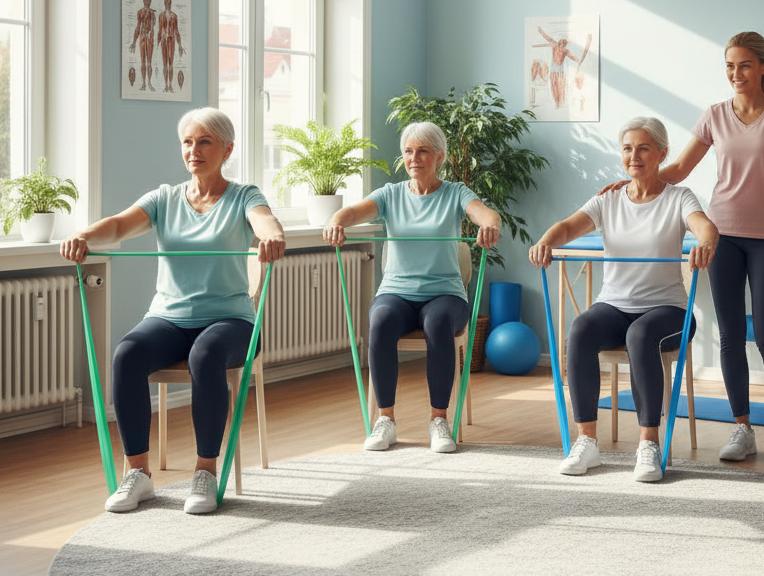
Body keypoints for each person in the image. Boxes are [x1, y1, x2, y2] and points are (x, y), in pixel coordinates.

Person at [602, 32, 764, 462]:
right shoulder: (715, 116)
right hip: (722, 235)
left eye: (744, 65)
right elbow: (681, 167)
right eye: (729, 66)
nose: (735, 74)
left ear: (763, 67)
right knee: (729, 336)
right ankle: (742, 427)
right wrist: (635, 180)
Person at [60, 108, 286, 514]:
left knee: (206, 354)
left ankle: (205, 472)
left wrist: (272, 237)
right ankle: (139, 475)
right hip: (168, 318)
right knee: (127, 354)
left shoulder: (244, 196)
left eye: (204, 142)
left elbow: (264, 221)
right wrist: (82, 235)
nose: (193, 150)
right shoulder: (164, 198)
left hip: (230, 320)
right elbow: (116, 226)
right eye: (187, 142)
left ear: (227, 149)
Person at [530, 117, 719, 482]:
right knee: (581, 329)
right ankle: (587, 442)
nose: (634, 156)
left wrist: (706, 243)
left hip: (669, 311)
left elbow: (703, 226)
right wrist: (546, 241)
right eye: (628, 149)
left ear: (662, 153)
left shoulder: (679, 197)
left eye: (644, 148)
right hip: (615, 306)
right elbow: (569, 226)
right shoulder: (609, 199)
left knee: (640, 335)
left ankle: (648, 444)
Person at [323, 121, 500, 454]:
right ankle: (385, 420)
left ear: (439, 157)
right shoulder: (390, 194)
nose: (414, 158)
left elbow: (485, 214)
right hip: (397, 292)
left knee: (437, 323)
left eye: (423, 151)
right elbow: (353, 212)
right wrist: (336, 221)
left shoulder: (455, 192)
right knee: (382, 320)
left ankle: (439, 421)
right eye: (408, 151)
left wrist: (490, 225)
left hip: (445, 293)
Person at [129, 0, 156, 92]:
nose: (147, 2)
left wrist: (149, 32)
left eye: (149, 1)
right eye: (146, 0)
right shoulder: (140, 12)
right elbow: (138, 27)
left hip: (150, 37)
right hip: (142, 37)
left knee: (149, 62)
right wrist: (134, 42)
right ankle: (144, 83)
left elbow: (153, 25)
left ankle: (149, 83)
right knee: (143, 62)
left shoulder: (152, 12)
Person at [158, 0, 185, 93]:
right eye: (166, 2)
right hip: (163, 41)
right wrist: (156, 45)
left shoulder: (174, 16)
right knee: (165, 64)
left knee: (171, 64)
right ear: (164, 3)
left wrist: (180, 45)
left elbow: (176, 31)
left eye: (169, 2)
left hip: (171, 40)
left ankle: (170, 85)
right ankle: (166, 85)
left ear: (171, 3)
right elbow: (159, 30)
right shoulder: (161, 15)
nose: (168, 4)